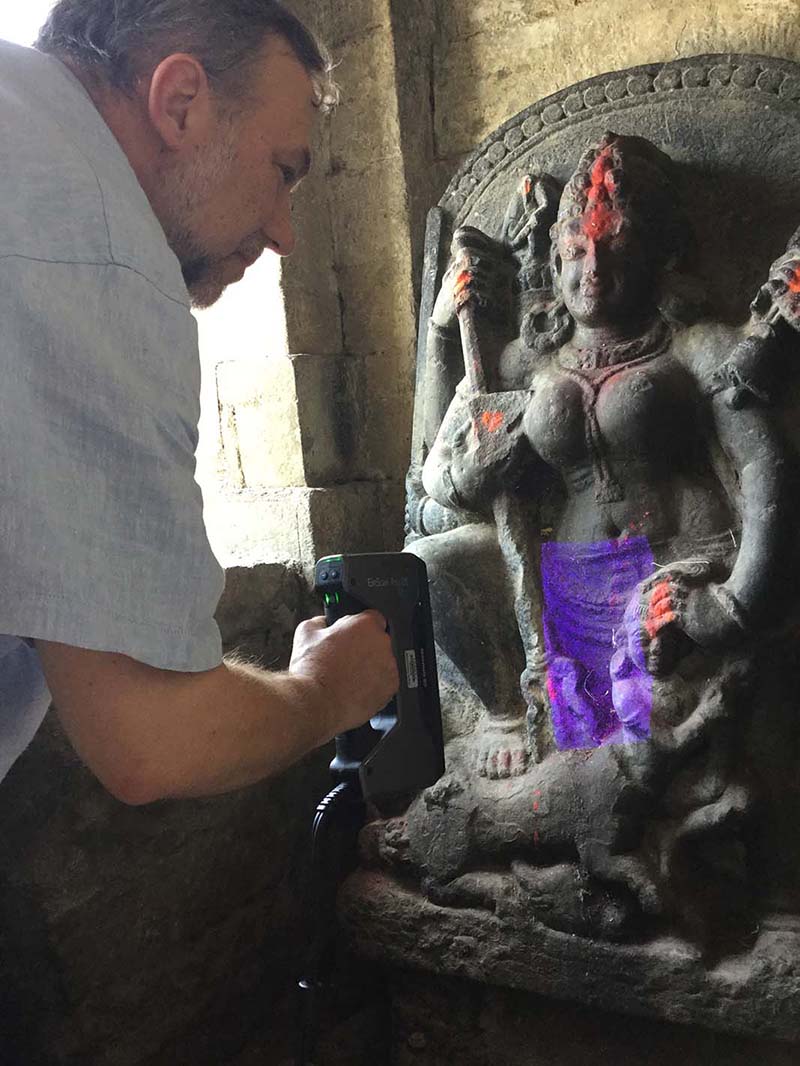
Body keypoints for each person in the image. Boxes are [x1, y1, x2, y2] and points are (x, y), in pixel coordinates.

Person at [0, 0, 399, 805]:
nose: (285, 232)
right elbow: (153, 738)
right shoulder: (100, 247)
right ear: (179, 102)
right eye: (282, 172)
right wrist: (327, 690)